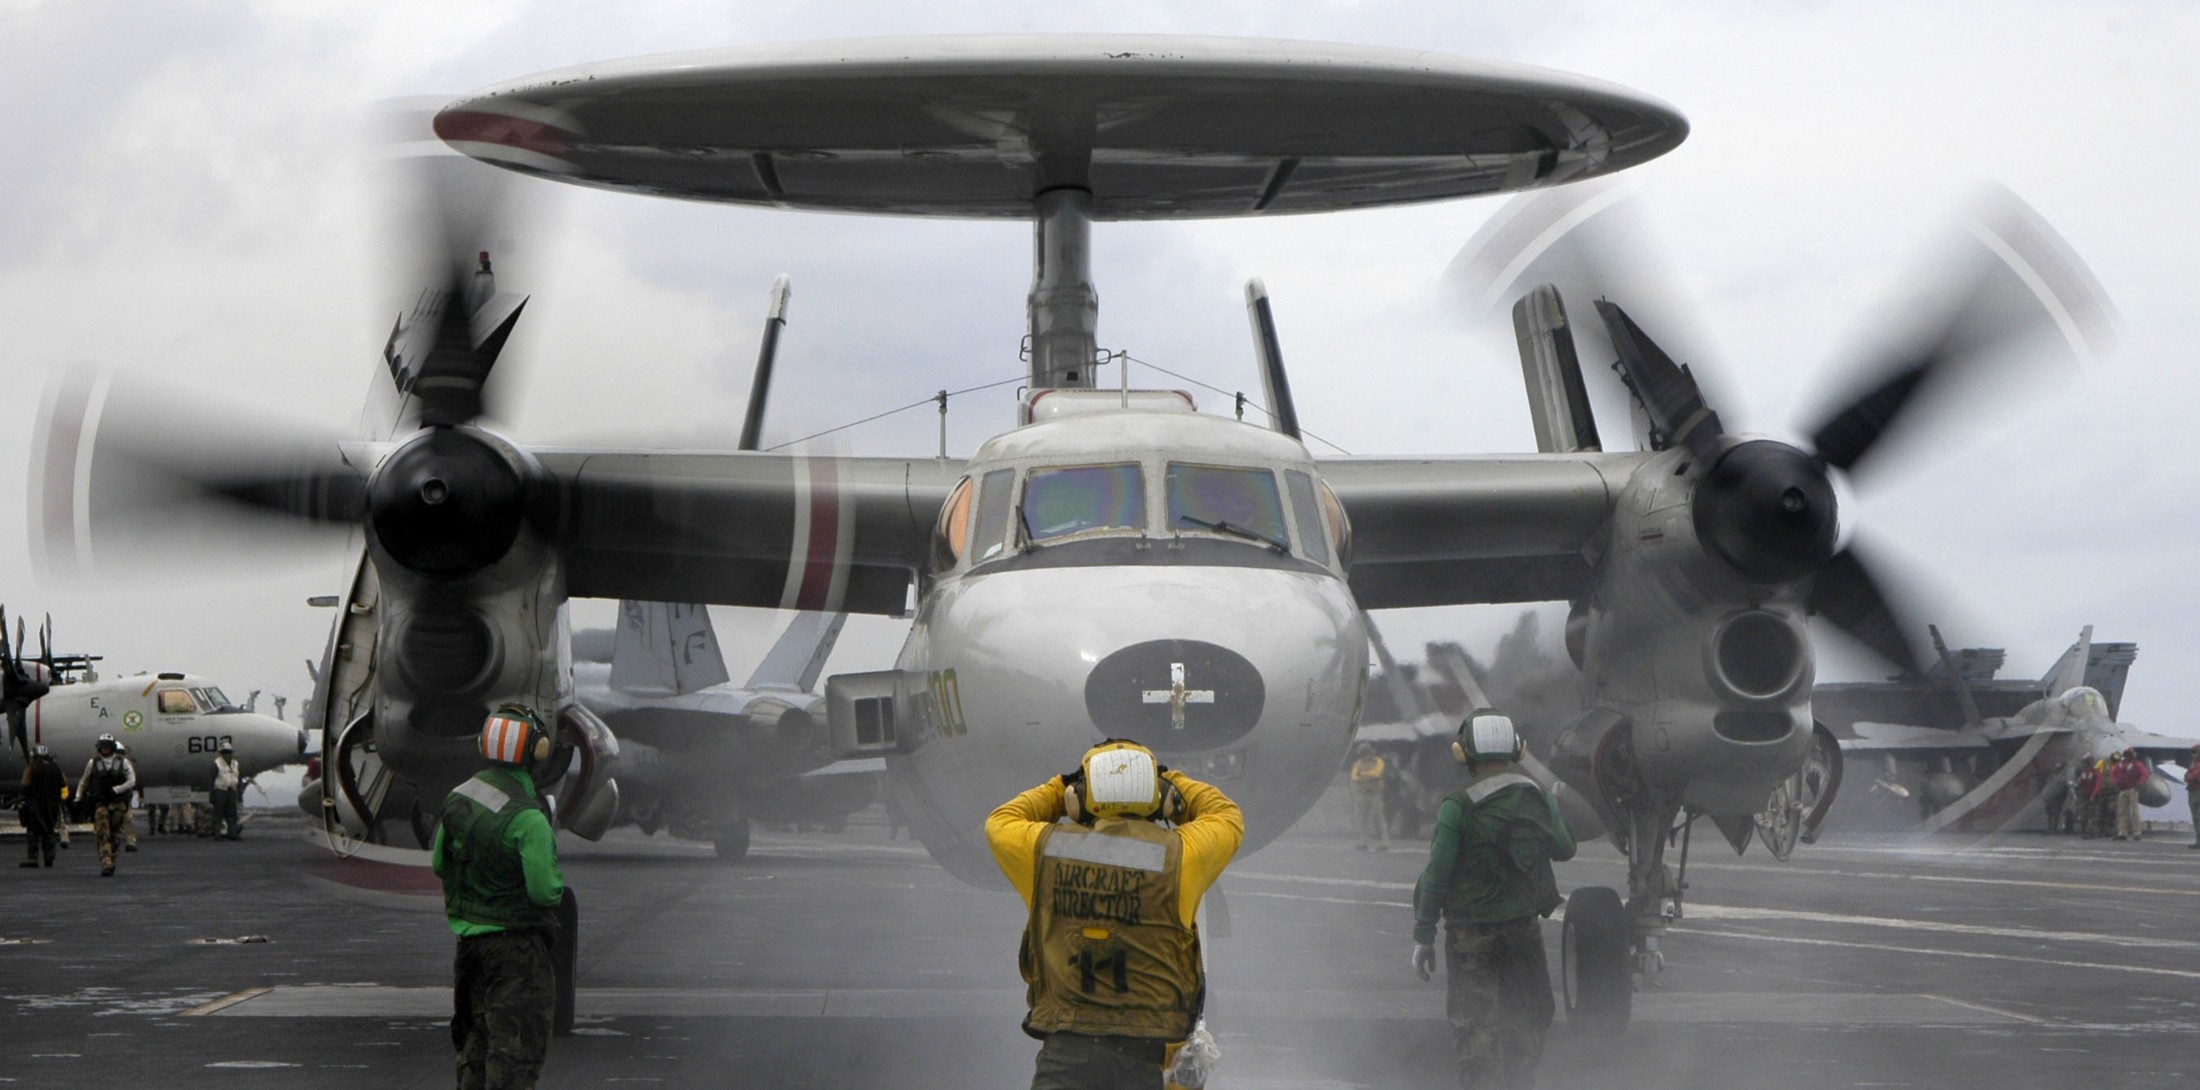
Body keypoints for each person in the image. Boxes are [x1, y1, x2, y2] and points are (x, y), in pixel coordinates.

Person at [986, 739, 1244, 1090]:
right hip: (1144, 1054)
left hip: (1066, 1051)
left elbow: (1000, 822)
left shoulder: (1045, 851)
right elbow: (1226, 816)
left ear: (1080, 797)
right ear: (1156, 797)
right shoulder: (1184, 856)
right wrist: (1173, 785)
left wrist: (1061, 787)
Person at [1410, 709, 1575, 1090]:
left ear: (1462, 753)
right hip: (1523, 932)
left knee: (1477, 1030)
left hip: (1471, 938)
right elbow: (1565, 848)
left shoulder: (1458, 806)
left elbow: (1437, 875)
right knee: (1527, 1021)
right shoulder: (1539, 798)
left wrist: (1423, 935)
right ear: (1518, 750)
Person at [431, 704, 567, 1090]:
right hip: (517, 953)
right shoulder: (529, 818)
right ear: (537, 751)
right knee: (514, 1057)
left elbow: (440, 862)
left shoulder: (457, 798)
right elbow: (545, 891)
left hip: (469, 949)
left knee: (474, 1051)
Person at [76, 733, 137, 877]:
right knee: (103, 833)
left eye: (107, 746)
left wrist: (117, 789)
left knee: (115, 836)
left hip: (117, 804)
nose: (105, 749)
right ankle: (106, 862)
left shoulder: (123, 763)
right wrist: (78, 797)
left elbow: (132, 780)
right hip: (101, 803)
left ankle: (112, 859)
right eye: (103, 746)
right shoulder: (93, 763)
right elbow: (84, 781)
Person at [18, 743, 67, 867]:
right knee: (49, 830)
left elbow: (25, 784)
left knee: (33, 832)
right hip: (52, 805)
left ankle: (33, 859)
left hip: (35, 805)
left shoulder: (31, 768)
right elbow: (62, 784)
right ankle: (49, 857)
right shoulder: (55, 767)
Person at [1350, 742, 1391, 851]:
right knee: (1362, 819)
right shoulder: (1358, 763)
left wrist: (1362, 775)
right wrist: (1367, 776)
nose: (1365, 755)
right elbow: (1354, 777)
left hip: (1375, 793)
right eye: (1363, 753)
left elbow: (1376, 774)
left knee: (1378, 819)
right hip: (1363, 793)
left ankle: (1385, 843)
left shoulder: (1378, 761)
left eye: (1366, 753)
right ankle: (1363, 843)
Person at [2110, 749, 2150, 841]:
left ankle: (2137, 833)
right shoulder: (2120, 764)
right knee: (2121, 812)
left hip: (2132, 790)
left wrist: (2139, 784)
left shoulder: (2137, 764)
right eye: (2127, 754)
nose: (2128, 756)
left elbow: (2145, 774)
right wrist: (2116, 783)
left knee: (2134, 812)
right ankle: (2122, 833)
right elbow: (2113, 773)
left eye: (2130, 754)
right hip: (2122, 790)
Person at [209, 740, 245, 840]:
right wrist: (212, 793)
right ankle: (216, 835)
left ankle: (232, 834)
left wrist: (239, 792)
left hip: (232, 791)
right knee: (218, 814)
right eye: (224, 752)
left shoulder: (235, 764)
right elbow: (211, 779)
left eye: (228, 752)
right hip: (220, 790)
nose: (227, 754)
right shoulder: (216, 764)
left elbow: (239, 778)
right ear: (221, 753)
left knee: (232, 814)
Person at [116, 743, 140, 853]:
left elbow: (131, 781)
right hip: (113, 798)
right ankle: (116, 841)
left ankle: (131, 842)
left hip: (122, 798)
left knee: (127, 820)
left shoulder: (126, 765)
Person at [2184, 746, 2199, 849]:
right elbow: (2187, 776)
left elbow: (2190, 776)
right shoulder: (2194, 764)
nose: (2192, 755)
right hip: (2193, 791)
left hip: (2197, 792)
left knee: (2198, 817)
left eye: (2194, 752)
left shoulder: (2197, 765)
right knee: (2196, 817)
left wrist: (2190, 775)